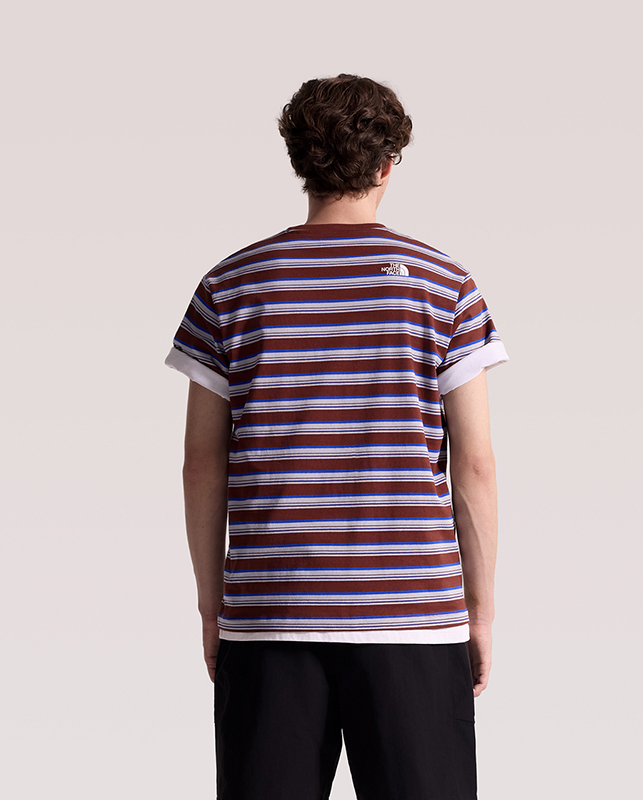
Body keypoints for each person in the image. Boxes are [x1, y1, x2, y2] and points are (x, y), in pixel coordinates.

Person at [165, 74, 509, 800]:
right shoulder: (444, 286)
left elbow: (201, 464)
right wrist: (479, 610)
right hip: (413, 616)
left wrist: (212, 606)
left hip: (270, 613)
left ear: (300, 162)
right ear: (388, 164)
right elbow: (474, 465)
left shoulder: (231, 285)